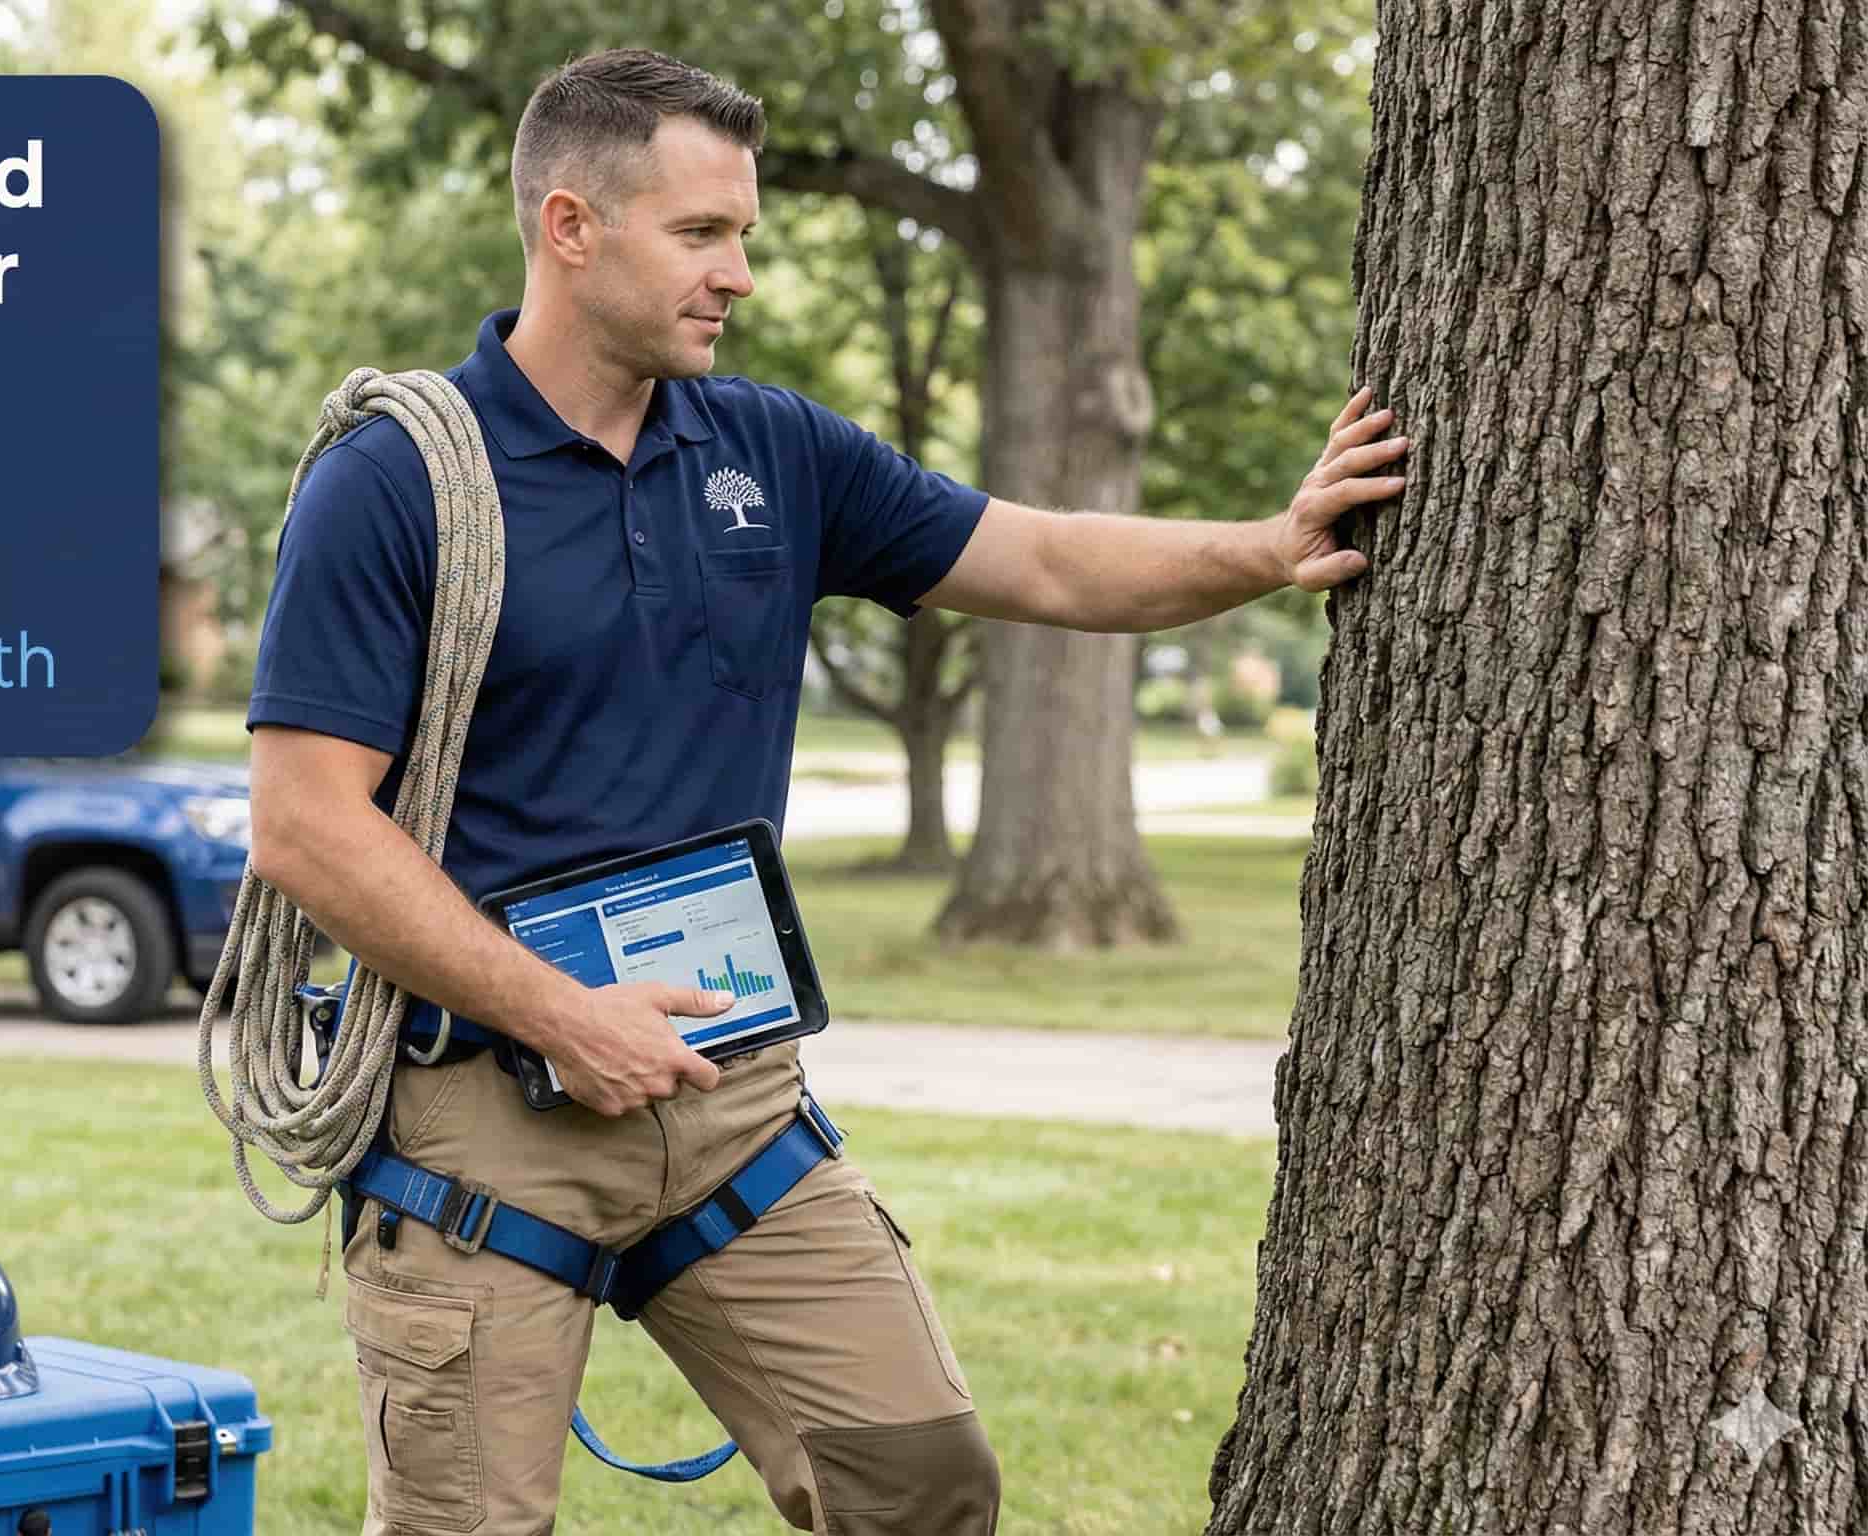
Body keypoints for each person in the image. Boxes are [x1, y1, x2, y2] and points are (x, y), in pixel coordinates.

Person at [243, 47, 1405, 1536]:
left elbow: (1041, 557)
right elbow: (304, 824)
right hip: (483, 1112)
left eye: (746, 237)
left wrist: (1268, 544)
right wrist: (560, 1014)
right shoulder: (398, 482)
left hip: (732, 1097)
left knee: (917, 1480)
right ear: (570, 225)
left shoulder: (772, 451)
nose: (738, 274)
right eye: (702, 235)